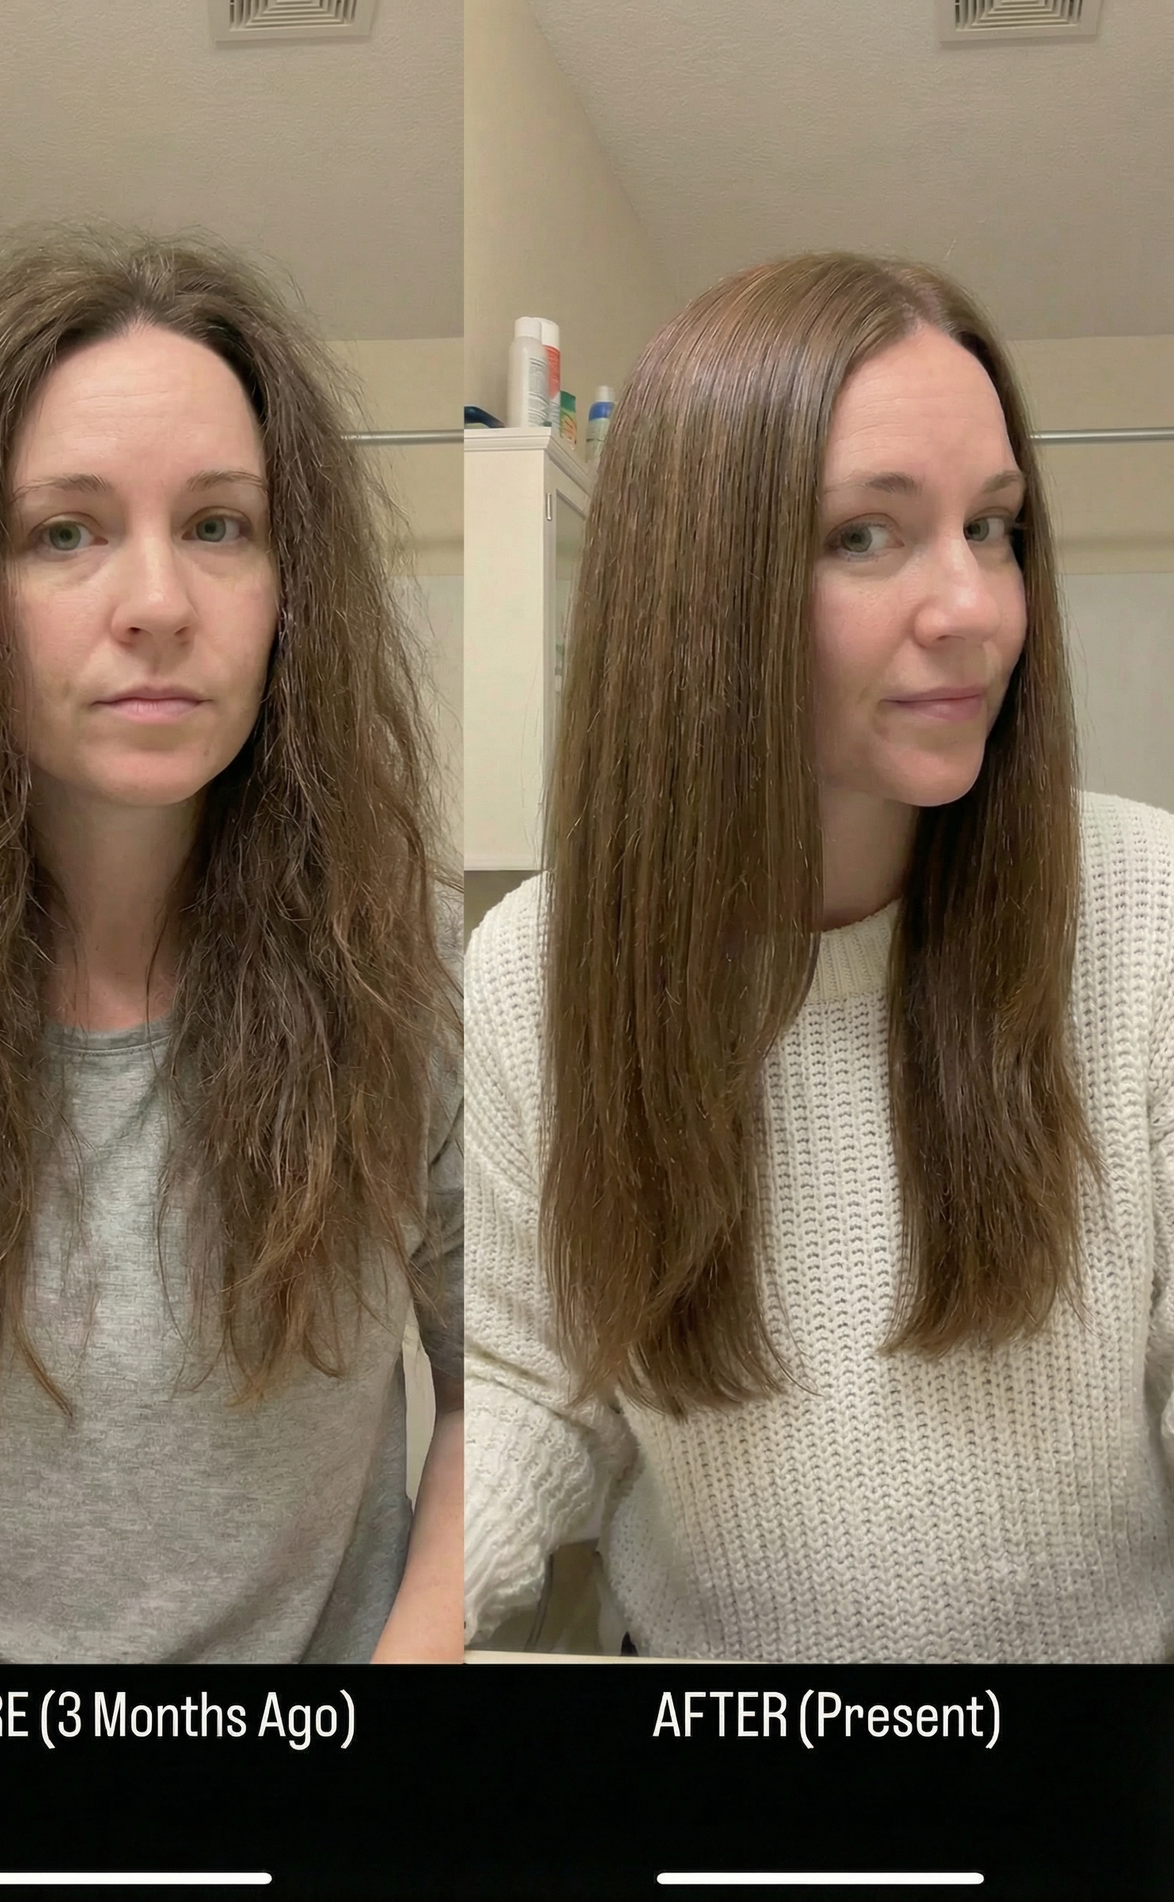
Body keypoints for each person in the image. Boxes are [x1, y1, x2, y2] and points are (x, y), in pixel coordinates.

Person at [0, 228, 462, 1664]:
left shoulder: (414, 977)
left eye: (219, 525)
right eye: (63, 531)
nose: (157, 603)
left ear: (288, 590)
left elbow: (504, 1379)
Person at [464, 252, 1174, 1663]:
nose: (974, 607)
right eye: (869, 535)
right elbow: (528, 1376)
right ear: (700, 593)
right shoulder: (531, 971)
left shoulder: (1147, 912)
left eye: (995, 527)